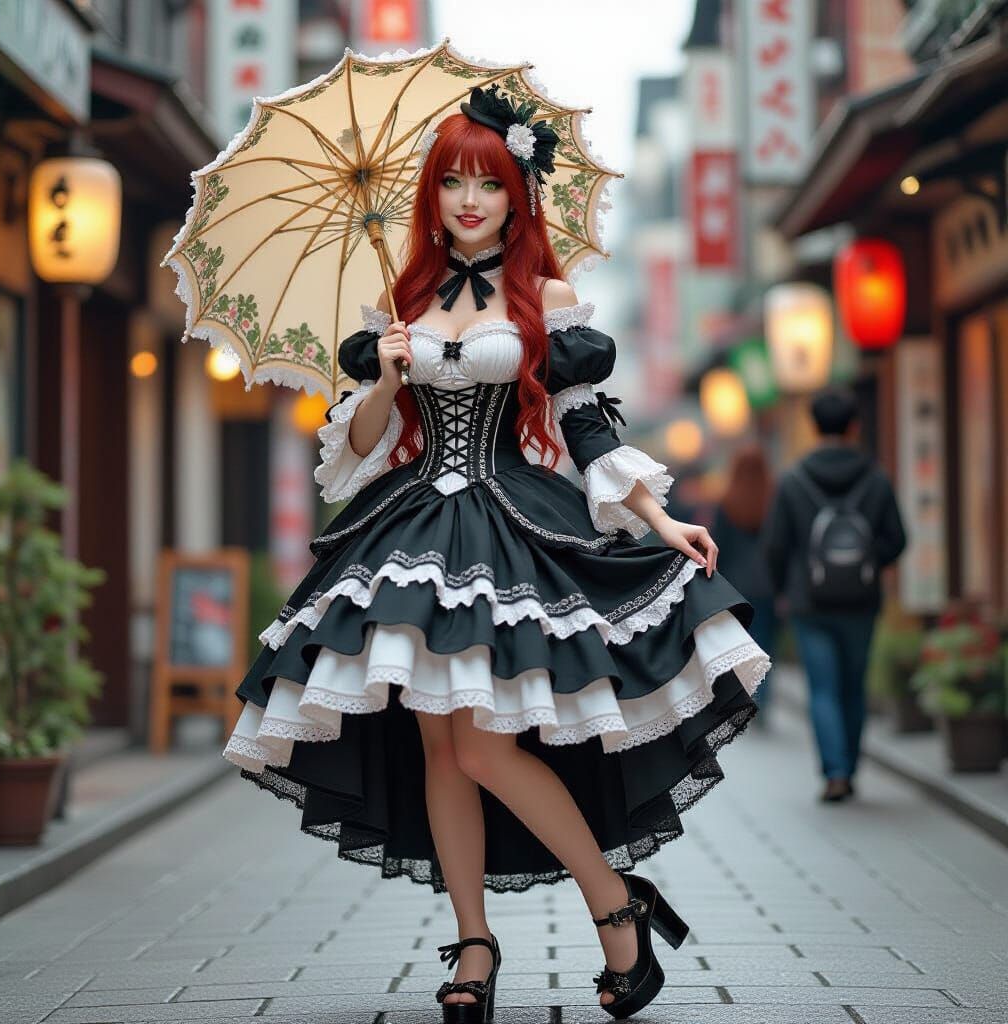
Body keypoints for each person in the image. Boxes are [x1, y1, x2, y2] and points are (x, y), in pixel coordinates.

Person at [222, 84, 770, 1022]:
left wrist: (657, 518)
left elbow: (584, 420)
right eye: (452, 183)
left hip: (508, 520)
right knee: (441, 740)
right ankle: (474, 945)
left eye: (489, 181)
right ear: (430, 198)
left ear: (518, 194)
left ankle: (614, 902)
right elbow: (353, 456)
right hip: (410, 525)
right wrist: (387, 375)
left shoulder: (544, 298)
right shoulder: (395, 305)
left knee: (478, 745)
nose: (469, 199)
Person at [762, 386, 906, 804]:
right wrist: (864, 564)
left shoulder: (793, 479)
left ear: (813, 426)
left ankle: (835, 772)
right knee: (853, 686)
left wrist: (782, 590)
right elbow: (896, 539)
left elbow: (775, 545)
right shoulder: (875, 477)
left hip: (809, 601)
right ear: (854, 426)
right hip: (861, 602)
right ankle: (851, 766)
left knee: (822, 687)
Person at [710, 443, 777, 723]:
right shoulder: (772, 501)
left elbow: (718, 545)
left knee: (740, 645)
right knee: (766, 645)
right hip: (768, 585)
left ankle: (744, 699)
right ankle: (763, 699)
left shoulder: (727, 502)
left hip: (736, 587)